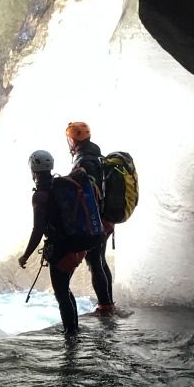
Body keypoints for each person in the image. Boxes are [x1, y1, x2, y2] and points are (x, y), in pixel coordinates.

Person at [17, 149, 86, 337]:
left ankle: (71, 335)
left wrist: (25, 255)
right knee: (65, 288)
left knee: (61, 292)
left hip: (61, 248)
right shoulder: (61, 185)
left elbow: (38, 230)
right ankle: (73, 329)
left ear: (33, 169)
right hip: (78, 244)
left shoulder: (40, 195)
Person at [65, 121, 115, 314]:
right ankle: (108, 302)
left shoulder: (84, 161)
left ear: (73, 140)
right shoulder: (96, 154)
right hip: (106, 216)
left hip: (96, 219)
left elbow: (84, 192)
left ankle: (105, 306)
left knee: (94, 261)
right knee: (100, 259)